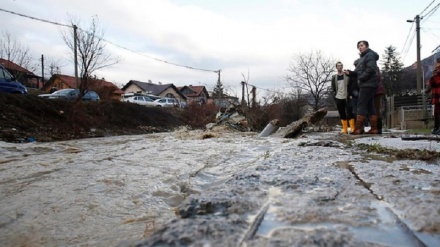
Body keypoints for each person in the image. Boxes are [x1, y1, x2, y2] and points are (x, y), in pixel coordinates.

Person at [344, 40, 379, 135]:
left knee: (361, 105)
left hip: (367, 84)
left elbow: (371, 69)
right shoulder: (362, 58)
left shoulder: (370, 55)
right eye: (359, 46)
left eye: (362, 45)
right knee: (370, 106)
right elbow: (358, 72)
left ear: (367, 46)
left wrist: (361, 78)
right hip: (368, 84)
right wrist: (350, 73)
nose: (360, 47)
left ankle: (358, 129)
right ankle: (374, 128)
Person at [331, 62, 353, 134]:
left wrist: (350, 94)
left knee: (350, 112)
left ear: (342, 67)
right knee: (342, 113)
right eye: (338, 66)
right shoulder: (334, 77)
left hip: (347, 96)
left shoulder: (346, 76)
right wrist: (335, 95)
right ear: (336, 67)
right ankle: (345, 129)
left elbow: (350, 85)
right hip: (338, 96)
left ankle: (352, 128)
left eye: (341, 66)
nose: (339, 67)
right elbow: (333, 87)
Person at [426, 57, 440, 135]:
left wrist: (431, 82)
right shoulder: (436, 71)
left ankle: (438, 128)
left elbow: (433, 81)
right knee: (437, 112)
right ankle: (437, 128)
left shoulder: (438, 72)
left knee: (438, 111)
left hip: (438, 93)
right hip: (436, 94)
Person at [347, 59, 360, 132]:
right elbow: (350, 85)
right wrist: (350, 94)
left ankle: (359, 126)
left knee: (358, 110)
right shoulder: (353, 74)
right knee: (354, 110)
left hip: (359, 93)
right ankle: (356, 126)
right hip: (355, 94)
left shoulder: (357, 73)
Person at [374, 68, 385, 134]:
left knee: (376, 109)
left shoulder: (374, 69)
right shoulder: (376, 68)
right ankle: (378, 128)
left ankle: (378, 128)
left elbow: (376, 79)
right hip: (378, 91)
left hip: (376, 91)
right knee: (377, 109)